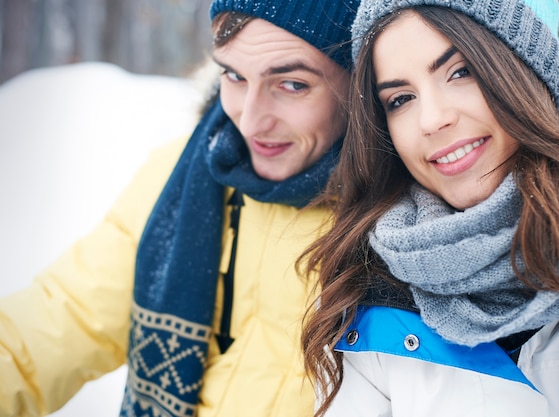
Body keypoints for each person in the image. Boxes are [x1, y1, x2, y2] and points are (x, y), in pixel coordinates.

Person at [0, 0, 359, 416]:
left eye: (292, 84)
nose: (251, 119)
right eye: (234, 75)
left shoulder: (404, 224)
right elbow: (61, 320)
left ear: (358, 81)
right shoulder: (185, 173)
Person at [300, 0, 559, 416]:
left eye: (461, 72)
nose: (431, 120)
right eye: (400, 99)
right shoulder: (362, 291)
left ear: (525, 70)